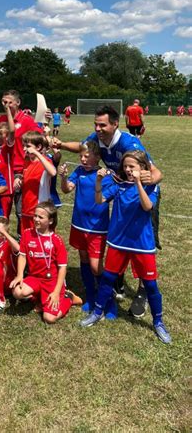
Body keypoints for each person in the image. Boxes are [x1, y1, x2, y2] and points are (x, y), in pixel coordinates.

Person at [52, 104, 163, 318]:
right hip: (119, 192)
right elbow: (84, 147)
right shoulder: (97, 137)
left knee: (143, 240)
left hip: (142, 192)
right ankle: (115, 282)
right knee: (119, 234)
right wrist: (62, 144)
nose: (98, 128)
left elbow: (155, 169)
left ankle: (142, 290)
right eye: (95, 124)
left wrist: (153, 178)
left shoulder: (129, 142)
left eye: (102, 125)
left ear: (115, 124)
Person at [80, 151, 171, 344]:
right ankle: (97, 312)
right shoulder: (118, 185)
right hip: (118, 242)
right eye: (126, 166)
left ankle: (158, 322)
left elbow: (147, 207)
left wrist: (139, 183)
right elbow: (99, 200)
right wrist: (98, 182)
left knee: (151, 284)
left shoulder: (151, 186)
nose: (129, 170)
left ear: (143, 168)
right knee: (108, 278)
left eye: (133, 167)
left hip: (142, 244)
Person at [59, 141, 112, 314]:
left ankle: (108, 298)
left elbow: (109, 196)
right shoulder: (79, 171)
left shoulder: (105, 175)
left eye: (86, 156)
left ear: (97, 157)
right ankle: (90, 295)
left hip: (97, 227)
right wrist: (64, 177)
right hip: (78, 224)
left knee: (96, 267)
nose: (82, 159)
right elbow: (67, 190)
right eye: (81, 156)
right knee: (83, 259)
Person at [10, 201, 80, 323]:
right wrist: (20, 275)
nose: (36, 219)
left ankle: (68, 298)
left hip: (51, 281)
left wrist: (57, 292)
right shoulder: (27, 234)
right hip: (35, 278)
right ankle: (40, 297)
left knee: (49, 318)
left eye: (40, 217)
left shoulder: (57, 241)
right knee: (17, 292)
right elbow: (22, 256)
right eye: (35, 215)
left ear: (51, 221)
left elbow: (62, 268)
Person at [0, 90, 42, 223]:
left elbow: (39, 139)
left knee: (21, 210)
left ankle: (24, 239)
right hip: (4, 169)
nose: (6, 105)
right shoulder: (1, 120)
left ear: (18, 102)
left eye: (10, 102)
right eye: (4, 102)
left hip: (20, 170)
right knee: (2, 208)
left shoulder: (26, 120)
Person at [19, 132, 56, 234]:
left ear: (39, 147)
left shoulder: (45, 161)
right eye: (24, 146)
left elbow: (53, 172)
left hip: (39, 211)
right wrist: (20, 181)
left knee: (40, 240)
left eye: (28, 146)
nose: (24, 149)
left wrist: (37, 154)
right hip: (26, 209)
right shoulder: (26, 162)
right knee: (27, 239)